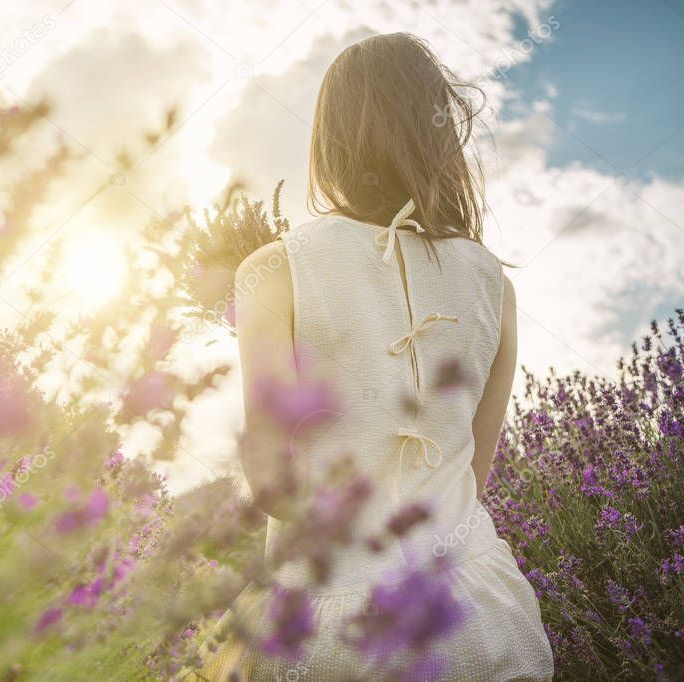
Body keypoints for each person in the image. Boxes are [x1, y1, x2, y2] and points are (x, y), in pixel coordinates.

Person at [194, 32, 554, 681]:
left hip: (335, 629)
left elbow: (274, 487)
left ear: (330, 138)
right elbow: (473, 472)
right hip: (481, 610)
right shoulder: (493, 287)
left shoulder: (272, 272)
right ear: (440, 135)